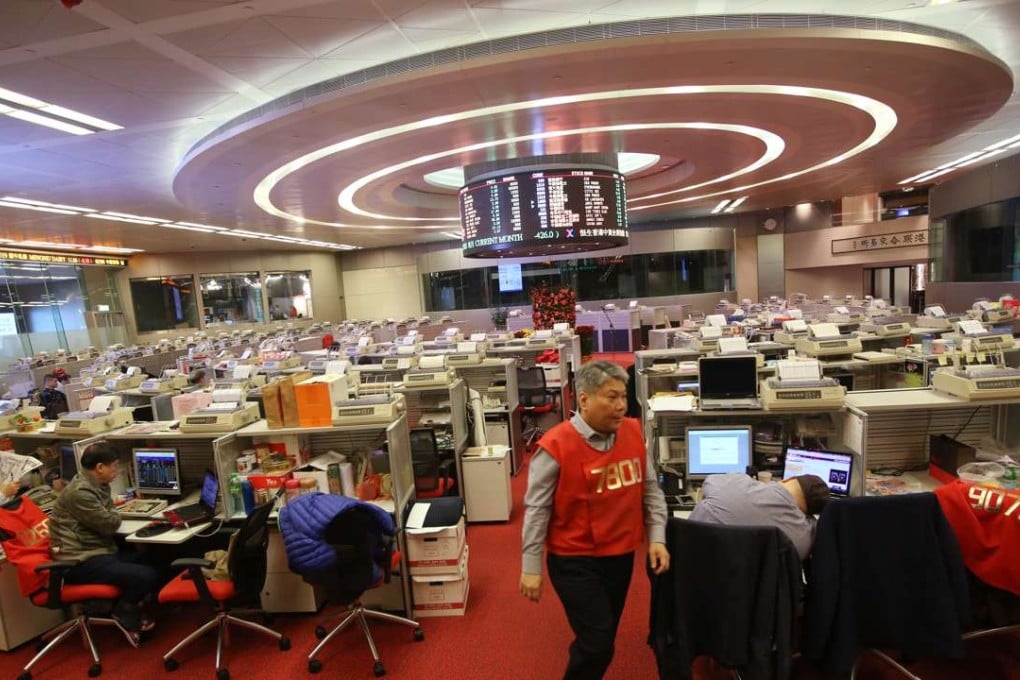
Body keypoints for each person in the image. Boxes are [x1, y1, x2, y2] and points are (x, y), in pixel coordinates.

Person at [520, 360, 670, 680]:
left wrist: (657, 537)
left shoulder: (632, 432)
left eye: (623, 398)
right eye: (611, 397)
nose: (620, 406)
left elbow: (650, 490)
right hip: (574, 559)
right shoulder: (555, 446)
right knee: (598, 643)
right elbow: (536, 510)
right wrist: (531, 567)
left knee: (603, 636)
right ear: (584, 400)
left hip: (620, 555)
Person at [47, 442, 159, 633]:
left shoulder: (96, 484)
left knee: (152, 560)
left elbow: (108, 514)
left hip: (98, 550)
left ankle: (128, 605)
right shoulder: (80, 492)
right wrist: (113, 512)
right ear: (99, 467)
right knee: (146, 575)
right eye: (114, 466)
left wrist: (111, 511)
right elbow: (110, 524)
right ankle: (123, 609)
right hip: (79, 560)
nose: (116, 470)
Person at [688, 472, 830, 561]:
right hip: (747, 599)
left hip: (692, 575)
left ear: (788, 479)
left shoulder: (736, 482)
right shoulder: (803, 538)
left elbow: (708, 484)